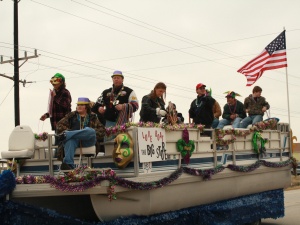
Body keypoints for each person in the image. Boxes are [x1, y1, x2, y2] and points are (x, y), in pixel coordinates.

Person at [56, 97, 106, 170]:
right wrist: (74, 132)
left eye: (82, 105)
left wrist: (70, 132)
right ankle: (68, 165)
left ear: (86, 107)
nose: (79, 106)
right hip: (75, 141)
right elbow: (59, 126)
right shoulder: (71, 116)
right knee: (70, 141)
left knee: (91, 131)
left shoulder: (93, 117)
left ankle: (67, 135)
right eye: (78, 105)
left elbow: (102, 130)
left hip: (88, 141)